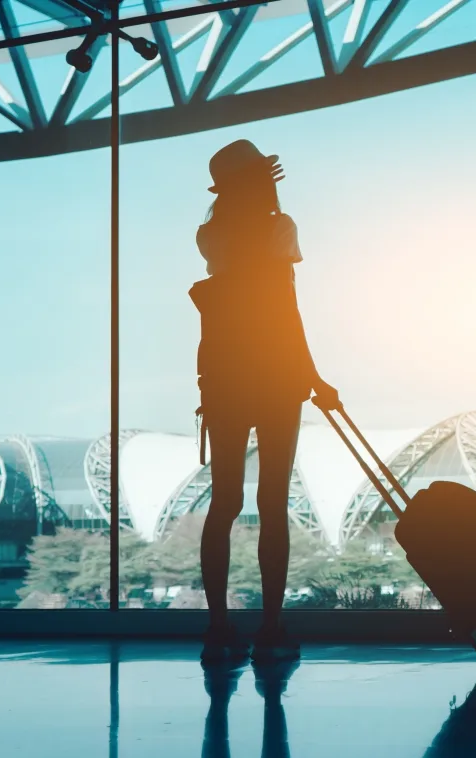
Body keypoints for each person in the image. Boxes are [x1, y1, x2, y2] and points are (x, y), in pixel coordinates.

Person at [189, 139, 340, 664]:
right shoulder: (280, 228)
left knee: (223, 502)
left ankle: (217, 628)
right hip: (276, 378)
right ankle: (272, 627)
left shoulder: (211, 235)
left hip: (225, 378)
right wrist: (314, 377)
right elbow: (284, 308)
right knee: (272, 505)